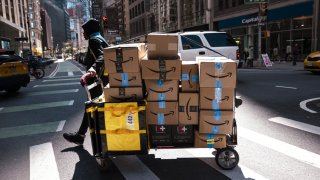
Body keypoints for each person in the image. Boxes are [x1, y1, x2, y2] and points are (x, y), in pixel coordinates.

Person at [63, 18, 109, 145]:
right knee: (91, 106)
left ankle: (81, 135)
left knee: (91, 106)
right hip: (101, 80)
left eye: (84, 31)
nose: (83, 34)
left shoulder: (94, 40)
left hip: (96, 81)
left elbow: (102, 56)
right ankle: (81, 135)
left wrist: (92, 70)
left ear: (89, 31)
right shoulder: (100, 39)